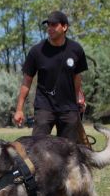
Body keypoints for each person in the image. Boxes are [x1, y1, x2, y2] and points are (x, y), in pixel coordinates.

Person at [14, 11, 88, 142]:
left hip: (69, 108)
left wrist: (78, 98)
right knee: (36, 147)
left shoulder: (76, 50)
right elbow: (27, 81)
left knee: (69, 150)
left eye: (54, 25)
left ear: (64, 27)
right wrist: (19, 109)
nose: (50, 28)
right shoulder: (36, 51)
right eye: (48, 25)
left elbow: (77, 77)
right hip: (44, 107)